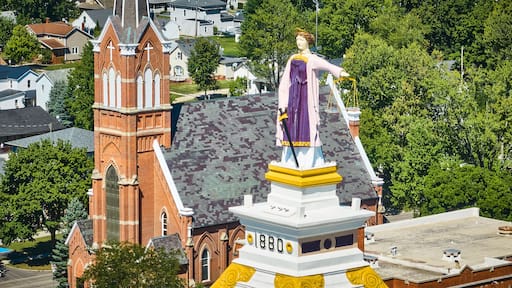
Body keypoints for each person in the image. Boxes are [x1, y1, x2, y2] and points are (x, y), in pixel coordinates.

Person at [276, 29, 349, 168]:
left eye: (301, 40)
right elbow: (285, 81)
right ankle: (291, 156)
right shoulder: (292, 59)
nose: (299, 43)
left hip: (305, 99)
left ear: (308, 42)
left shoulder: (312, 59)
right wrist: (283, 103)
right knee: (291, 124)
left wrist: (340, 72)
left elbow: (327, 65)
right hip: (292, 98)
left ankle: (306, 156)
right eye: (297, 40)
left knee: (306, 123)